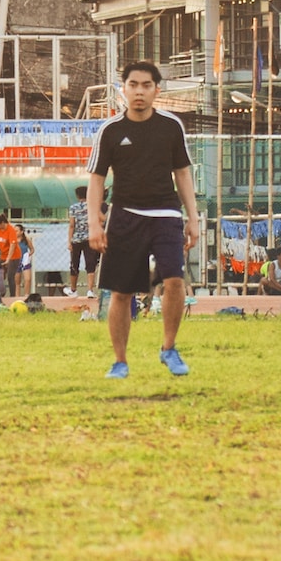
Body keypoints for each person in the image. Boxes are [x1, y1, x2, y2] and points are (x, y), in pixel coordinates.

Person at [87, 59, 200, 379]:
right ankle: (120, 361)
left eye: (146, 85)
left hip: (166, 214)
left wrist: (193, 218)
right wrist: (95, 223)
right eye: (133, 85)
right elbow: (96, 179)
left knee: (174, 280)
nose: (139, 91)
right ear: (123, 89)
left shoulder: (171, 126)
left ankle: (169, 348)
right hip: (125, 216)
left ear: (156, 90)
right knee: (121, 292)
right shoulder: (109, 130)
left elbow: (182, 173)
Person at [66, 185, 97, 297]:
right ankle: (90, 290)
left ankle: (74, 290)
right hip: (90, 238)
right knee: (90, 264)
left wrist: (69, 241)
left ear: (77, 195)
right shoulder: (92, 206)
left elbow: (71, 225)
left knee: (74, 263)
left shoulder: (73, 207)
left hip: (76, 239)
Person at [0, 210, 23, 298]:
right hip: (3, 255)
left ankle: (12, 296)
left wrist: (8, 259)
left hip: (14, 256)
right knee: (0, 274)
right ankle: (0, 293)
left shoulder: (10, 230)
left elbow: (13, 245)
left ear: (2, 223)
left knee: (10, 276)